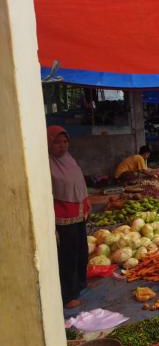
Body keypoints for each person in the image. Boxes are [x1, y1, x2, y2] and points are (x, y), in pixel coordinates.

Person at [47, 126, 90, 309]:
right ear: (48, 142)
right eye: (57, 142)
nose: (62, 146)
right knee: (68, 256)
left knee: (82, 251)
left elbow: (79, 185)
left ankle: (80, 285)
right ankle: (68, 296)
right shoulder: (47, 164)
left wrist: (86, 205)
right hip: (63, 218)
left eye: (65, 142)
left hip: (79, 214)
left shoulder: (69, 160)